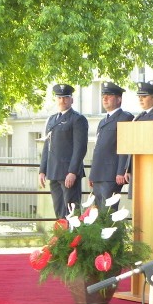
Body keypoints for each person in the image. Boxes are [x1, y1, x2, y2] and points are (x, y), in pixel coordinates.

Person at [38, 83, 88, 219]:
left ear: (71, 99)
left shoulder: (78, 119)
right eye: (59, 98)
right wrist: (42, 170)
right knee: (59, 211)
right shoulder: (52, 119)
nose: (62, 101)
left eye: (66, 97)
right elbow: (47, 145)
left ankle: (74, 240)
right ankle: (61, 238)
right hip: (53, 171)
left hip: (68, 174)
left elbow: (80, 148)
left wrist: (72, 172)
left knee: (72, 212)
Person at [88, 82, 133, 210]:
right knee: (98, 213)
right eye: (103, 96)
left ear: (119, 99)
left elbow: (125, 146)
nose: (105, 98)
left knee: (109, 212)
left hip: (112, 173)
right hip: (99, 173)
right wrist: (93, 173)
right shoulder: (103, 121)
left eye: (109, 95)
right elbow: (98, 149)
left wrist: (121, 171)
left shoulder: (125, 117)